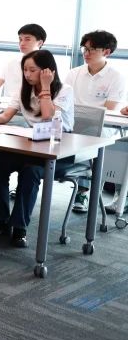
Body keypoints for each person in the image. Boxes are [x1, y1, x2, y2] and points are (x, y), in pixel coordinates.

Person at [0, 50, 75, 247]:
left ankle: (19, 227)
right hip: (32, 146)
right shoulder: (23, 89)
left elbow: (48, 117)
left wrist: (45, 87)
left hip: (58, 150)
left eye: (33, 70)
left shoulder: (64, 90)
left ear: (48, 71)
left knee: (30, 172)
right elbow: (6, 115)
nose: (27, 74)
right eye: (25, 70)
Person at [65, 30, 126, 214]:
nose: (86, 53)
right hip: (74, 124)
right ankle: (83, 189)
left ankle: (85, 192)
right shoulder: (74, 74)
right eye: (84, 48)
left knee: (91, 138)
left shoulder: (116, 77)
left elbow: (109, 109)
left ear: (106, 52)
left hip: (103, 127)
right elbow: (64, 102)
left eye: (91, 49)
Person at [0, 24, 46, 97]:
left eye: (27, 39)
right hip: (8, 103)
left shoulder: (45, 64)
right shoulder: (12, 63)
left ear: (40, 43)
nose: (22, 43)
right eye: (20, 39)